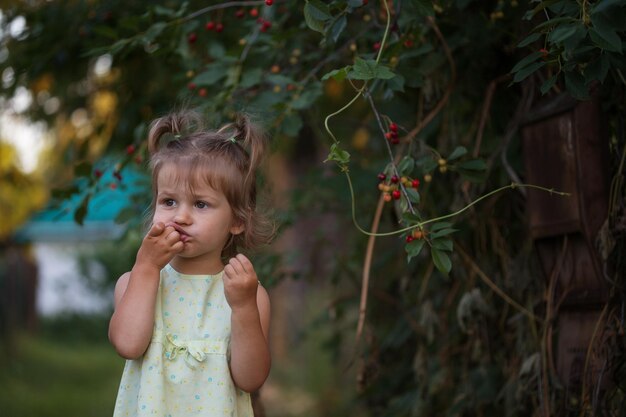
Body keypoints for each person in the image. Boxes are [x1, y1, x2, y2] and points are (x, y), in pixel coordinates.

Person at [109, 109, 274, 416]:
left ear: (237, 220)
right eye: (168, 201)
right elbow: (128, 345)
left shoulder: (246, 295)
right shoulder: (136, 282)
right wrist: (146, 268)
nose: (181, 217)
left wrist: (244, 308)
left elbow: (250, 379)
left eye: (200, 204)